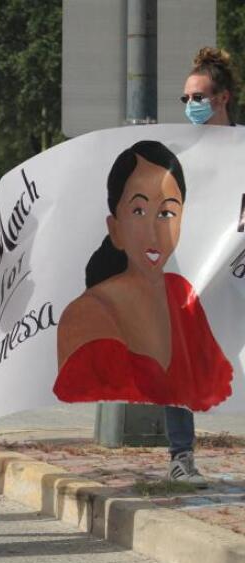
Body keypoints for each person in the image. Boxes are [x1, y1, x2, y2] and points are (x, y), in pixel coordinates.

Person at [54, 141, 233, 457]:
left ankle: (182, 455)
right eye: (138, 210)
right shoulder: (88, 314)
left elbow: (212, 382)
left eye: (167, 212)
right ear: (115, 226)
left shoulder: (180, 294)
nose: (154, 228)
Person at [159, 47, 239, 485]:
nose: (191, 106)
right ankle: (181, 455)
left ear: (223, 98)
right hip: (189, 271)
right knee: (179, 361)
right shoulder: (178, 155)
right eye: (186, 99)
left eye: (199, 97)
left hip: (236, 272)